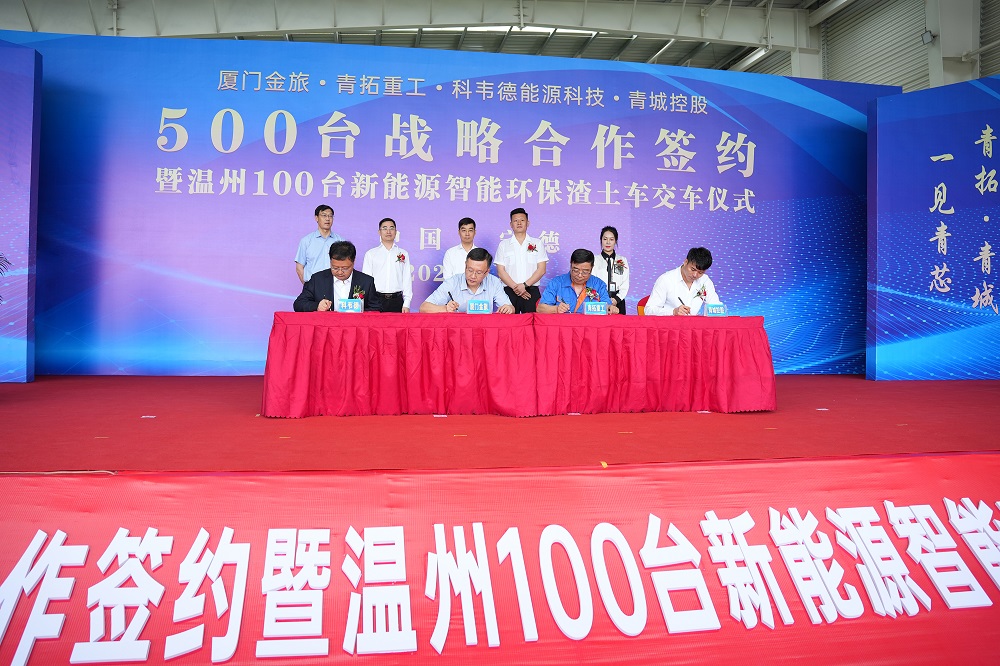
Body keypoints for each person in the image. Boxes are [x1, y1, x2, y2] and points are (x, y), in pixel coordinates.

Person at [419, 248, 515, 314]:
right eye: (470, 270)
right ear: (465, 265)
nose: (473, 276)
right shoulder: (452, 282)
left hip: (485, 331)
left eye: (478, 272)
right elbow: (423, 307)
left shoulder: (494, 282)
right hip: (458, 332)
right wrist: (445, 308)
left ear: (486, 272)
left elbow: (510, 308)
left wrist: (508, 309)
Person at [293, 241, 380, 312]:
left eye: (345, 268)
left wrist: (359, 311)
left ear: (353, 262)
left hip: (354, 327)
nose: (340, 272)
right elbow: (298, 304)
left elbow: (376, 309)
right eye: (335, 268)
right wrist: (317, 306)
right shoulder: (317, 279)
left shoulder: (366, 282)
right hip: (327, 326)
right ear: (330, 261)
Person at [495, 207, 548, 314]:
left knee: (532, 321)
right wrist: (517, 288)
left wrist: (524, 285)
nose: (519, 223)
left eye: (522, 220)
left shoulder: (537, 243)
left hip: (531, 291)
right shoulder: (504, 245)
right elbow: (501, 271)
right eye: (515, 220)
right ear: (511, 224)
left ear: (528, 223)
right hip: (509, 291)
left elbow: (541, 269)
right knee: (509, 322)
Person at [537, 249, 619, 314]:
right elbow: (540, 308)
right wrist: (556, 309)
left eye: (585, 272)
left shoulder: (599, 285)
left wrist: (611, 308)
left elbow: (607, 306)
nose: (579, 275)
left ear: (592, 268)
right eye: (575, 270)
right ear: (571, 264)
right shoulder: (556, 283)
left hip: (589, 328)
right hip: (564, 328)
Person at [645, 247, 721, 316]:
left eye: (700, 272)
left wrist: (719, 311)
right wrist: (673, 312)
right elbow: (648, 310)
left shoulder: (705, 281)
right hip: (669, 324)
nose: (695, 275)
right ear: (685, 262)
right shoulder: (666, 279)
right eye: (693, 269)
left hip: (694, 325)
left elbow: (715, 306)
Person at [362, 217, 413, 312]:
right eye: (384, 228)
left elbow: (407, 279)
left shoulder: (403, 253)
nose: (388, 231)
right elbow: (366, 280)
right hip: (376, 300)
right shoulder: (371, 254)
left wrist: (407, 303)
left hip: (397, 300)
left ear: (396, 232)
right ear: (379, 232)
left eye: (391, 228)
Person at [295, 205, 345, 284]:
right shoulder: (306, 241)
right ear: (316, 218)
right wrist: (307, 286)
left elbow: (345, 264)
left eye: (330, 216)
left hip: (335, 285)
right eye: (324, 215)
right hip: (313, 285)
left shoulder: (340, 241)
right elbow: (299, 267)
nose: (327, 219)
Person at [592, 226, 630, 315]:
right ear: (601, 240)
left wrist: (617, 299)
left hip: (618, 301)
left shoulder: (622, 260)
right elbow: (592, 282)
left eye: (611, 239)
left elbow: (625, 283)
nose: (608, 242)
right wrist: (602, 298)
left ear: (615, 241)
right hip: (599, 300)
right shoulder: (594, 259)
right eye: (605, 239)